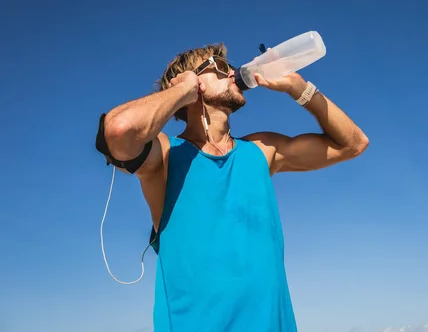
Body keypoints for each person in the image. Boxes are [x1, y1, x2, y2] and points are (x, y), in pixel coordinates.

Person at [95, 42, 369, 331]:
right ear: (192, 81)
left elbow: (353, 144)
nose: (233, 72)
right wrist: (181, 92)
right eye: (220, 67)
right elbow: (119, 131)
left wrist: (299, 89)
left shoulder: (262, 150)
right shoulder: (166, 155)